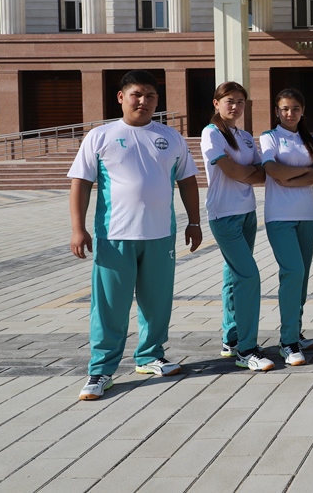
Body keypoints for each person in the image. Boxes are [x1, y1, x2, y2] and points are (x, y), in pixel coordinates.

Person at [70, 70, 202, 400]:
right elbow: (81, 183)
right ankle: (101, 370)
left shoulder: (170, 137)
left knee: (157, 302)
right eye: (136, 94)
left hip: (160, 235)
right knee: (110, 306)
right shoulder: (100, 136)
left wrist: (195, 222)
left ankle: (150, 356)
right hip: (115, 235)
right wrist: (78, 228)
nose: (143, 101)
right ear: (121, 97)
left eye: (150, 96)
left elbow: (187, 180)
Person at [202, 82, 272, 371]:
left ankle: (231, 338)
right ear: (216, 103)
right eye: (229, 101)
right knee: (248, 276)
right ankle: (247, 347)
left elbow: (263, 173)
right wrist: (246, 171)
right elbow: (229, 170)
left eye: (240, 101)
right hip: (224, 214)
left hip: (247, 213)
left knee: (233, 276)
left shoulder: (244, 137)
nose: (235, 106)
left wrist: (244, 172)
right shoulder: (211, 133)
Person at [259, 89, 313, 366]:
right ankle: (287, 341)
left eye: (295, 109)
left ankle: (295, 331)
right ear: (277, 111)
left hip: (306, 215)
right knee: (293, 272)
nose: (290, 113)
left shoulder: (310, 139)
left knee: (302, 277)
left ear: (303, 111)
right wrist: (305, 172)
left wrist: (291, 177)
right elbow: (273, 171)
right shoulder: (269, 137)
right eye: (285, 109)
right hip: (279, 216)